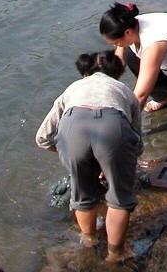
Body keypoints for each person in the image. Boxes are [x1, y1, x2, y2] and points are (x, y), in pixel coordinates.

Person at [35, 50, 141, 262]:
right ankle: (115, 254)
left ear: (85, 72)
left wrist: (66, 152)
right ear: (116, 73)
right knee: (119, 200)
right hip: (113, 126)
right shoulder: (124, 90)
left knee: (82, 195)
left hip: (73, 126)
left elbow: (42, 138)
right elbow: (136, 141)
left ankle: (89, 240)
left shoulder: (72, 88)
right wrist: (110, 163)